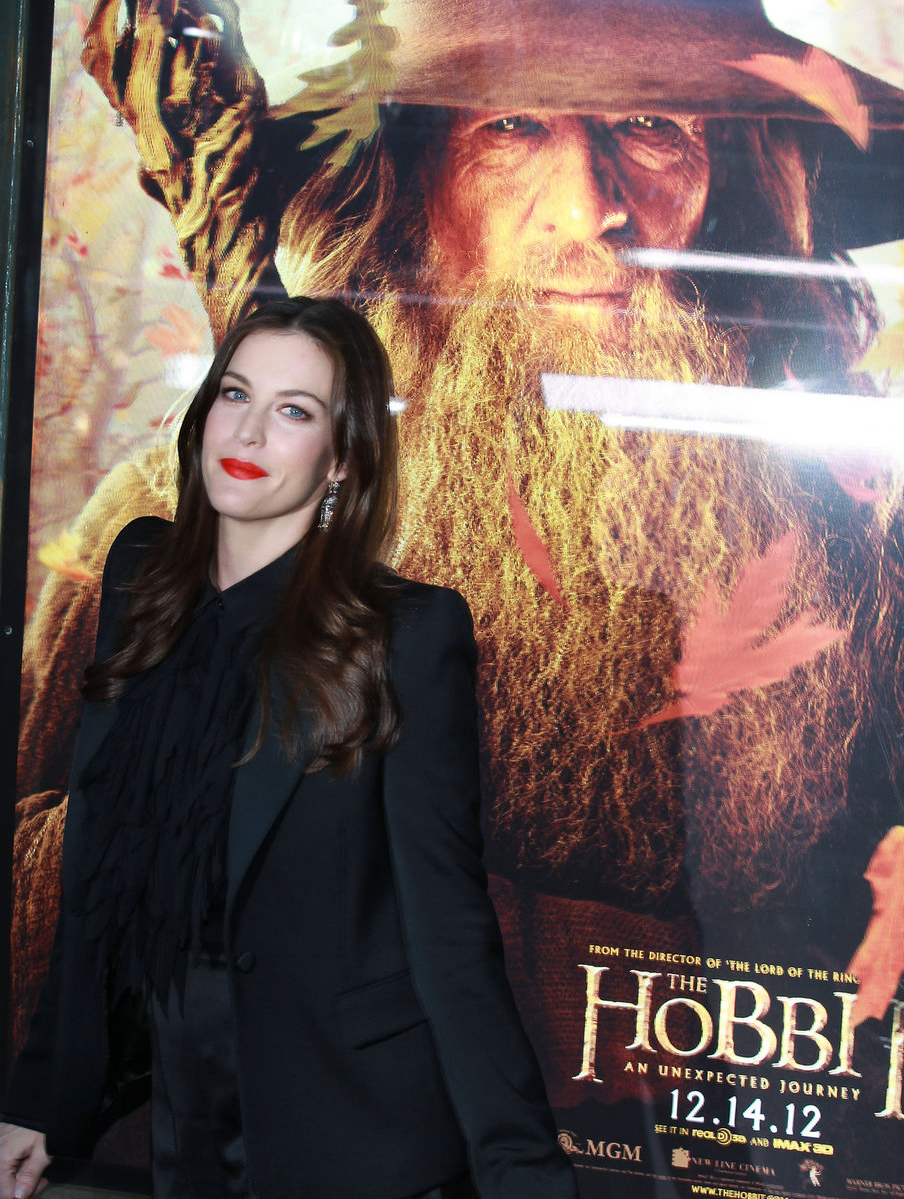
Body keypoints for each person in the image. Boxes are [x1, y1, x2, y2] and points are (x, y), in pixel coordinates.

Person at [10, 0, 904, 1178]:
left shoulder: (869, 569)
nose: (594, 207)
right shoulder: (190, 528)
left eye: (653, 126)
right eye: (516, 125)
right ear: (418, 183)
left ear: (745, 164)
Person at [1, 297, 578, 1199]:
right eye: (236, 394)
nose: (251, 430)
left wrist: (522, 1174)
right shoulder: (139, 578)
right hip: (180, 1118)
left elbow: (449, 929)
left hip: (351, 1132)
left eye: (295, 411)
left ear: (342, 459)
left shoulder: (405, 636)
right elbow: (95, 881)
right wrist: (39, 1097)